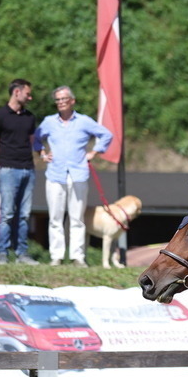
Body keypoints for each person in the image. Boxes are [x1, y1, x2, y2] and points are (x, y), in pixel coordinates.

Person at [33, 86, 114, 267]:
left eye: (64, 99)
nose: (61, 102)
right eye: (58, 100)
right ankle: (57, 256)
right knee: (55, 217)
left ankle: (78, 256)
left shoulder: (84, 121)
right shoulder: (49, 121)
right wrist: (43, 153)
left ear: (72, 101)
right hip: (55, 173)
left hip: (78, 173)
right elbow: (36, 139)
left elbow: (106, 135)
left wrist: (94, 152)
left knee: (76, 217)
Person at [0, 78, 38, 265]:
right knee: (7, 213)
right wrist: (4, 166)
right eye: (27, 93)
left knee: (24, 214)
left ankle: (22, 254)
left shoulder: (30, 117)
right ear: (17, 92)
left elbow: (32, 142)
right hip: (8, 170)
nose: (30, 97)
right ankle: (2, 252)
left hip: (28, 170)